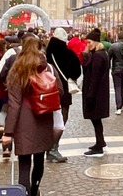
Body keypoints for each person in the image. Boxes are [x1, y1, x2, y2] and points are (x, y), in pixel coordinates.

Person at [2, 35, 61, 196]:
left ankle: (25, 192)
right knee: (39, 158)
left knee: (24, 162)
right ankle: (35, 189)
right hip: (44, 117)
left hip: (24, 120)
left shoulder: (17, 69)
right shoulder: (48, 67)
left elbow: (14, 104)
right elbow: (60, 91)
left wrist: (8, 132)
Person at [46, 27, 82, 163]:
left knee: (49, 118)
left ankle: (48, 146)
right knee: (62, 119)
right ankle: (54, 148)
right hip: (64, 91)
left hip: (48, 90)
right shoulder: (70, 54)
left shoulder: (47, 53)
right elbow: (77, 72)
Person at [81, 28, 110, 157]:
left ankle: (99, 146)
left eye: (89, 42)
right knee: (96, 120)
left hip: (96, 93)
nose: (87, 45)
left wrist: (90, 94)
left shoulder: (98, 56)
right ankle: (100, 142)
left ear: (96, 42)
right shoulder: (98, 54)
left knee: (96, 119)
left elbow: (95, 77)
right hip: (98, 92)